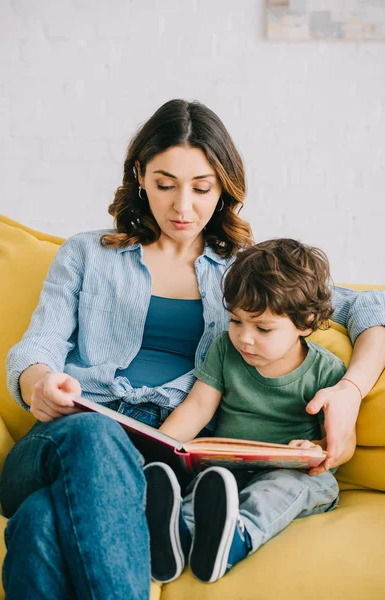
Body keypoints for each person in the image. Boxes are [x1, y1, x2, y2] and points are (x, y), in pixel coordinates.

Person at [0, 99, 385, 600]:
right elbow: (40, 343)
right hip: (66, 436)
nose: (183, 207)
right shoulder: (87, 253)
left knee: (38, 523)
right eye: (165, 185)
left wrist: (351, 391)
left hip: (164, 459)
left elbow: (370, 307)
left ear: (224, 186)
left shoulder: (249, 273)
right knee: (95, 432)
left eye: (201, 188)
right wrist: (38, 382)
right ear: (140, 175)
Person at [145, 238, 354, 584]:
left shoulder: (325, 372)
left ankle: (234, 542)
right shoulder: (225, 350)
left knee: (280, 489)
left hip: (296, 474)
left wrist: (319, 450)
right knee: (207, 487)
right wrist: (161, 447)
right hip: (229, 469)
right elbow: (197, 408)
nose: (245, 338)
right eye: (236, 321)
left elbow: (345, 441)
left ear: (306, 322)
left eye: (263, 328)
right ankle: (178, 538)